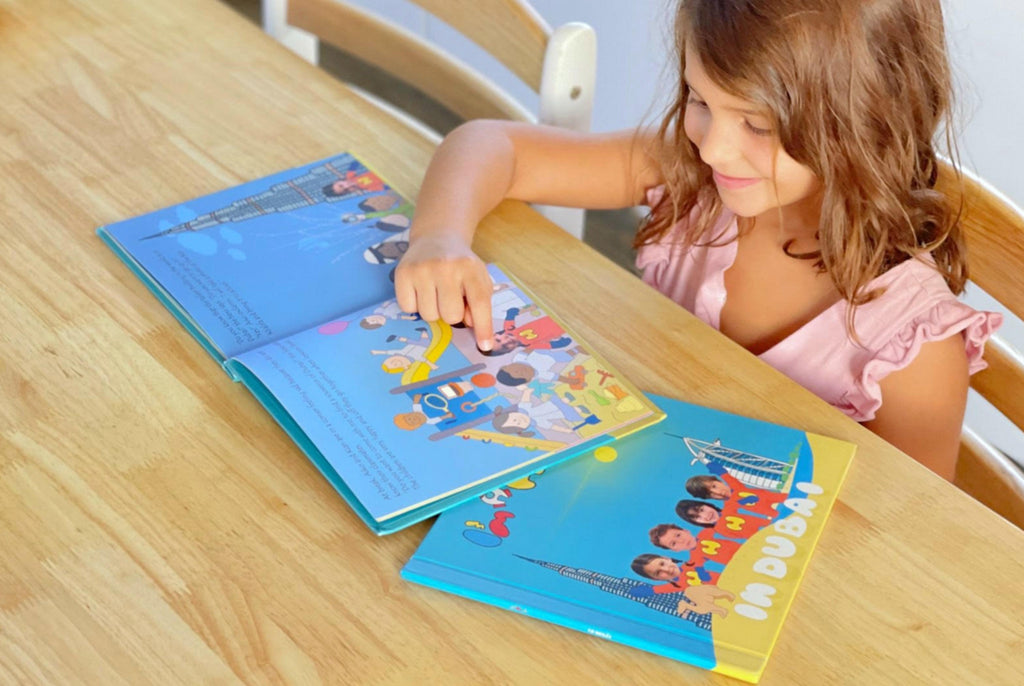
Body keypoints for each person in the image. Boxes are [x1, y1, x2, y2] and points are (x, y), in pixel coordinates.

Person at [392, 0, 1002, 480]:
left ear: (869, 118)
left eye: (757, 125)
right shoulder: (691, 175)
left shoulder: (912, 352)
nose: (712, 146)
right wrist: (438, 237)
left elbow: (912, 538)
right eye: (700, 100)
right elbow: (493, 146)